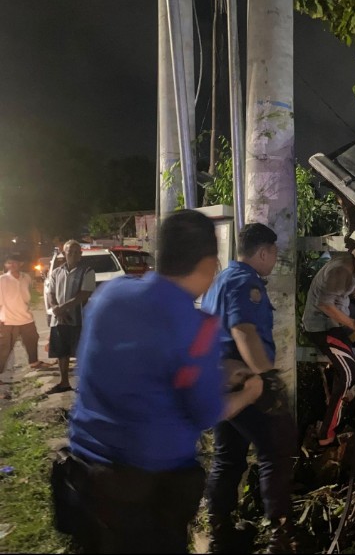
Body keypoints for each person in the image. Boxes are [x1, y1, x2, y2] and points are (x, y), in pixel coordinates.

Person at [66, 209, 265, 554]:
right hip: (145, 493)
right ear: (207, 265)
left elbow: (130, 367)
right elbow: (205, 414)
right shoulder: (196, 327)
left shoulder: (110, 295)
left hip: (84, 477)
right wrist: (250, 392)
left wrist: (215, 372)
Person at [200, 222, 298, 554]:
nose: (274, 260)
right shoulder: (245, 282)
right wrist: (268, 380)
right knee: (277, 449)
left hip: (218, 382)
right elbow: (243, 330)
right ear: (263, 251)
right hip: (245, 381)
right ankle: (279, 537)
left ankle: (220, 531)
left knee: (228, 457)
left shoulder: (221, 280)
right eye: (274, 254)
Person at [301, 229, 355, 452]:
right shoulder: (342, 269)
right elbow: (325, 304)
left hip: (338, 319)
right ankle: (326, 434)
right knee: (349, 372)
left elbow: (346, 295)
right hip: (322, 326)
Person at [45, 240, 96, 394]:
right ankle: (64, 382)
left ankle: (84, 384)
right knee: (62, 352)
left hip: (78, 319)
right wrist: (56, 309)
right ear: (64, 254)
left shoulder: (87, 271)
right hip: (59, 320)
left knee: (81, 353)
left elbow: (84, 295)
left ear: (80, 255)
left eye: (76, 252)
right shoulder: (56, 272)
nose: (73, 255)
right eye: (70, 252)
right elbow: (50, 293)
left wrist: (62, 309)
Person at [0, 253, 49, 382]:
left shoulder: (26, 277)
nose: (12, 265)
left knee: (32, 340)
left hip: (26, 317)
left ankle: (34, 362)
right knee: (4, 349)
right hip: (8, 320)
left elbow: (28, 295)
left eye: (14, 262)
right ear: (6, 265)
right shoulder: (2, 280)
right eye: (9, 263)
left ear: (20, 264)